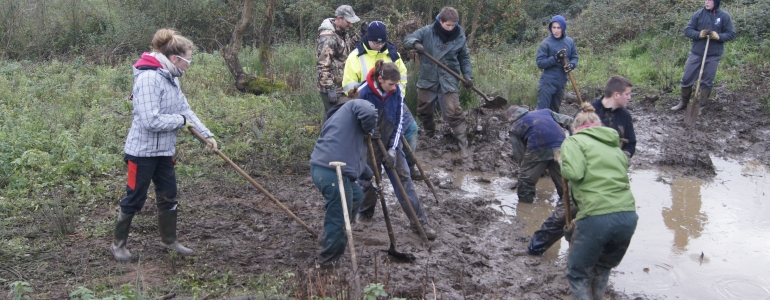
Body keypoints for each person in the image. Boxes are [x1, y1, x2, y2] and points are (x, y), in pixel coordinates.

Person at [111, 28, 217, 261]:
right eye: (188, 60)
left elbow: (185, 110)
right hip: (140, 153)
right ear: (174, 59)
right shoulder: (149, 78)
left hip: (164, 152)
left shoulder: (170, 77)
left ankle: (169, 240)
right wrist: (180, 122)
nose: (189, 64)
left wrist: (206, 134)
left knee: (169, 195)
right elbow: (151, 120)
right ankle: (118, 245)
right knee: (135, 197)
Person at [525, 76, 636, 256]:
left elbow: (631, 143)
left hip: (609, 176)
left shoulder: (625, 116)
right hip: (582, 175)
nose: (630, 98)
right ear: (616, 95)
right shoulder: (588, 112)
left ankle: (590, 257)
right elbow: (573, 139)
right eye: (628, 94)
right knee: (562, 216)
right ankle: (534, 249)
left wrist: (622, 158)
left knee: (603, 217)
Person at [352, 60, 437, 239]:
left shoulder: (396, 91)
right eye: (391, 84)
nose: (394, 87)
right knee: (369, 181)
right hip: (369, 144)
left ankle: (420, 223)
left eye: (396, 84)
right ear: (380, 79)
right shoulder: (363, 92)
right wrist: (367, 131)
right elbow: (352, 122)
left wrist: (392, 149)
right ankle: (365, 213)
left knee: (404, 179)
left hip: (391, 139)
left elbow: (399, 121)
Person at [561, 102, 638, 300]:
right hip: (627, 217)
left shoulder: (574, 142)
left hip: (596, 216)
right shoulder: (614, 146)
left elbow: (574, 173)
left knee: (577, 274)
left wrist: (562, 160)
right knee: (602, 267)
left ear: (575, 128)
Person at [342, 20, 423, 180]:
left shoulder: (392, 54)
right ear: (368, 38)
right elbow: (349, 87)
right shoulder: (355, 57)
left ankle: (409, 165)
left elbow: (403, 76)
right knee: (368, 142)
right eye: (375, 42)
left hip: (393, 101)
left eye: (382, 42)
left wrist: (396, 94)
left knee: (411, 128)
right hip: (368, 106)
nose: (379, 46)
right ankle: (364, 173)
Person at [309, 97, 378, 269]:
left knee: (356, 196)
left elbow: (355, 159)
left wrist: (370, 176)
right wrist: (369, 128)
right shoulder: (355, 104)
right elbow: (368, 110)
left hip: (322, 170)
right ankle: (328, 262)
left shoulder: (343, 128)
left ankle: (327, 236)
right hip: (331, 172)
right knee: (340, 216)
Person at [403, 7, 474, 157]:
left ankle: (463, 145)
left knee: (453, 110)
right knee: (424, 110)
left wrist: (468, 76)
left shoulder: (459, 34)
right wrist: (416, 44)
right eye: (448, 25)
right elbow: (408, 39)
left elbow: (464, 57)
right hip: (428, 78)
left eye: (453, 25)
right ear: (440, 21)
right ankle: (429, 136)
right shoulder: (428, 31)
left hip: (449, 78)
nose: (451, 28)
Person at [670, 0, 735, 114]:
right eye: (706, 0)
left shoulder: (724, 16)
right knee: (687, 78)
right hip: (696, 52)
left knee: (707, 81)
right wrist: (698, 34)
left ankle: (702, 106)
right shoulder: (698, 14)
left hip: (713, 54)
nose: (707, 2)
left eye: (710, 0)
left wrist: (718, 36)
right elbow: (688, 30)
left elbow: (731, 34)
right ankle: (683, 102)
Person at [507, 105, 573, 205]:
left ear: (512, 115)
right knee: (564, 180)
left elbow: (519, 153)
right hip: (561, 145)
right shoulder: (546, 111)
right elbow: (568, 120)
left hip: (538, 146)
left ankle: (525, 208)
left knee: (525, 181)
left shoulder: (515, 127)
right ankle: (569, 207)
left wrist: (527, 169)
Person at [316, 5, 365, 122]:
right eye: (348, 22)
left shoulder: (342, 32)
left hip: (340, 85)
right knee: (335, 119)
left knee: (331, 117)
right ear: (339, 18)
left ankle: (324, 138)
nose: (351, 25)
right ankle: (328, 139)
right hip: (332, 87)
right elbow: (323, 65)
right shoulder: (328, 37)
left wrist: (360, 35)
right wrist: (330, 89)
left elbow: (345, 50)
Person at [535, 15, 578, 113]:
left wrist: (571, 65)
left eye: (559, 27)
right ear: (550, 28)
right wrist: (555, 58)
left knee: (555, 111)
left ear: (563, 28)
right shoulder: (545, 43)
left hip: (561, 82)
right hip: (547, 82)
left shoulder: (569, 42)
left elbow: (575, 58)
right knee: (542, 111)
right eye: (553, 27)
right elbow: (540, 63)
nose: (556, 30)